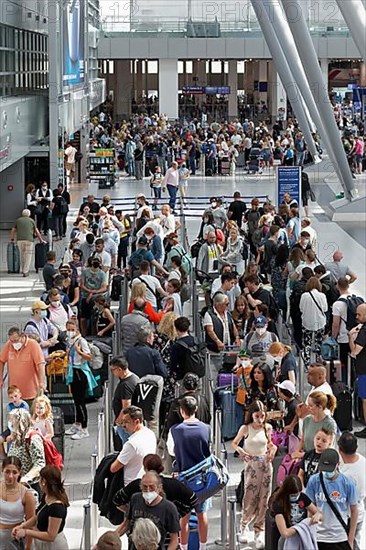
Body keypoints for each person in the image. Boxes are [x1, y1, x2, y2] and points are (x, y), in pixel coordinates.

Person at [167, 396, 211, 550]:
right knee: (202, 513)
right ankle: (203, 546)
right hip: (203, 478)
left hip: (183, 478)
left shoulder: (175, 430)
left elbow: (171, 450)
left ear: (181, 411)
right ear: (196, 409)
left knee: (184, 517)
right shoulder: (207, 428)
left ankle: (184, 546)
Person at [232, 400, 277, 549]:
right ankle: (244, 526)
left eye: (262, 416)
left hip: (265, 464)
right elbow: (235, 443)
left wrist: (273, 450)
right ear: (251, 415)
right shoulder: (245, 428)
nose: (260, 419)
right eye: (257, 416)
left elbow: (271, 444)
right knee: (250, 497)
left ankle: (259, 529)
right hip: (251, 466)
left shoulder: (267, 428)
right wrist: (241, 451)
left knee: (265, 498)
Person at [113, 453, 197, 520]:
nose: (148, 489)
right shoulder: (174, 485)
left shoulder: (136, 485)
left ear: (145, 468)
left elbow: (117, 500)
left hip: (141, 534)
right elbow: (193, 499)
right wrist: (177, 514)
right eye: (145, 487)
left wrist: (135, 513)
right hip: (167, 533)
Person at [306, 449, 358, 550]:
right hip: (319, 536)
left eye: (329, 469)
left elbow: (354, 511)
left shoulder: (347, 483)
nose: (326, 472)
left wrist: (350, 539)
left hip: (339, 537)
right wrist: (310, 533)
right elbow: (310, 508)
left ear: (337, 465)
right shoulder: (314, 481)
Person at [115, 471, 180, 549]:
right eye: (144, 487)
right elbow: (126, 524)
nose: (148, 490)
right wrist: (111, 537)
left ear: (159, 488)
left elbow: (174, 540)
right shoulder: (135, 499)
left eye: (151, 487)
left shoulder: (169, 508)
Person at [13, 465, 70, 549]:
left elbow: (51, 536)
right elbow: (37, 516)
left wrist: (26, 532)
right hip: (41, 543)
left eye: (40, 478)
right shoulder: (47, 496)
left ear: (44, 481)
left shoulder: (57, 507)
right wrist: (22, 526)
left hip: (53, 546)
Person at [64, 319, 97, 440]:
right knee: (76, 400)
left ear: (77, 329)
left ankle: (84, 428)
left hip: (80, 372)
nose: (69, 332)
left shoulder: (81, 341)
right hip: (73, 371)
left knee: (80, 401)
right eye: (68, 330)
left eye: (72, 330)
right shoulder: (70, 340)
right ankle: (77, 424)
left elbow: (89, 357)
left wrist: (79, 351)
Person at [269, 474, 320, 550]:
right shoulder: (279, 503)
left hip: (301, 538)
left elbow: (318, 513)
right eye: (293, 495)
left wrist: (317, 516)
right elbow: (284, 533)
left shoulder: (303, 497)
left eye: (297, 494)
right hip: (285, 541)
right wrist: (302, 527)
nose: (295, 496)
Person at [110, 406, 156, 486]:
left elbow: (113, 468)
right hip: (146, 481)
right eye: (122, 422)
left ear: (137, 422)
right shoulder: (150, 434)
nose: (123, 425)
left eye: (126, 422)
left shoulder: (131, 444)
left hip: (130, 486)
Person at [0, 327, 46, 402]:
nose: (13, 343)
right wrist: (0, 378)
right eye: (11, 341)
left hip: (31, 392)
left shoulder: (33, 344)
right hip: (15, 394)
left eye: (16, 340)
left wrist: (42, 382)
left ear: (23, 336)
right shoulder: (9, 345)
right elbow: (1, 360)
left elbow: (40, 364)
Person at [0, 457, 36, 550]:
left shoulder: (26, 494)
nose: (10, 476)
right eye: (7, 472)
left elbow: (31, 522)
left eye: (14, 472)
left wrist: (28, 546)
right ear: (2, 470)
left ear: (19, 473)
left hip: (15, 538)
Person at [338, 432, 366, 550]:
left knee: (350, 545)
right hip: (360, 512)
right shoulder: (362, 460)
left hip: (348, 516)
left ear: (340, 450)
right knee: (356, 544)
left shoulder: (345, 475)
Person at [8, 409, 46, 484]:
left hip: (30, 485)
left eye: (12, 420)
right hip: (16, 484)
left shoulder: (33, 438)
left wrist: (27, 478)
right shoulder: (17, 437)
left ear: (20, 422)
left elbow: (40, 463)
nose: (11, 423)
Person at [294, 391, 337, 456]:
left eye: (310, 405)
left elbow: (328, 447)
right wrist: (296, 452)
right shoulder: (307, 420)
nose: (307, 407)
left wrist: (303, 455)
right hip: (305, 459)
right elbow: (302, 441)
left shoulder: (330, 424)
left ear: (319, 407)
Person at [110, 356, 140, 445]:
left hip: (126, 423)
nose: (112, 373)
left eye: (113, 370)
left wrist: (119, 421)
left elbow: (126, 406)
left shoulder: (125, 385)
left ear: (119, 369)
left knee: (127, 446)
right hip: (131, 421)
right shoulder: (134, 377)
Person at [299, 276, 328, 369]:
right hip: (319, 322)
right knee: (318, 342)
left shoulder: (304, 295)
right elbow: (325, 308)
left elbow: (301, 308)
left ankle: (306, 364)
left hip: (307, 322)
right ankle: (318, 363)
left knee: (306, 343)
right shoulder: (322, 296)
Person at [10, 209, 45, 277]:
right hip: (29, 240)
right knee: (28, 256)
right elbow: (37, 231)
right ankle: (25, 271)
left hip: (19, 240)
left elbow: (13, 230)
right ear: (29, 214)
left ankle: (23, 269)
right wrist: (41, 239)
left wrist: (12, 239)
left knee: (22, 255)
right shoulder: (32, 221)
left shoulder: (18, 220)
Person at [349, 303, 366, 438]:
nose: (357, 317)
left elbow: (355, 351)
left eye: (359, 314)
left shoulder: (363, 331)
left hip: (364, 370)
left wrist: (350, 336)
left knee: (365, 399)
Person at [79, 256, 108, 336]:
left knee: (95, 319)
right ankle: (84, 335)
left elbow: (104, 287)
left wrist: (93, 292)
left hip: (97, 298)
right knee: (83, 319)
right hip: (85, 296)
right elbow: (82, 285)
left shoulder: (102, 274)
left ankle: (94, 335)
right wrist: (90, 291)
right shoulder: (85, 272)